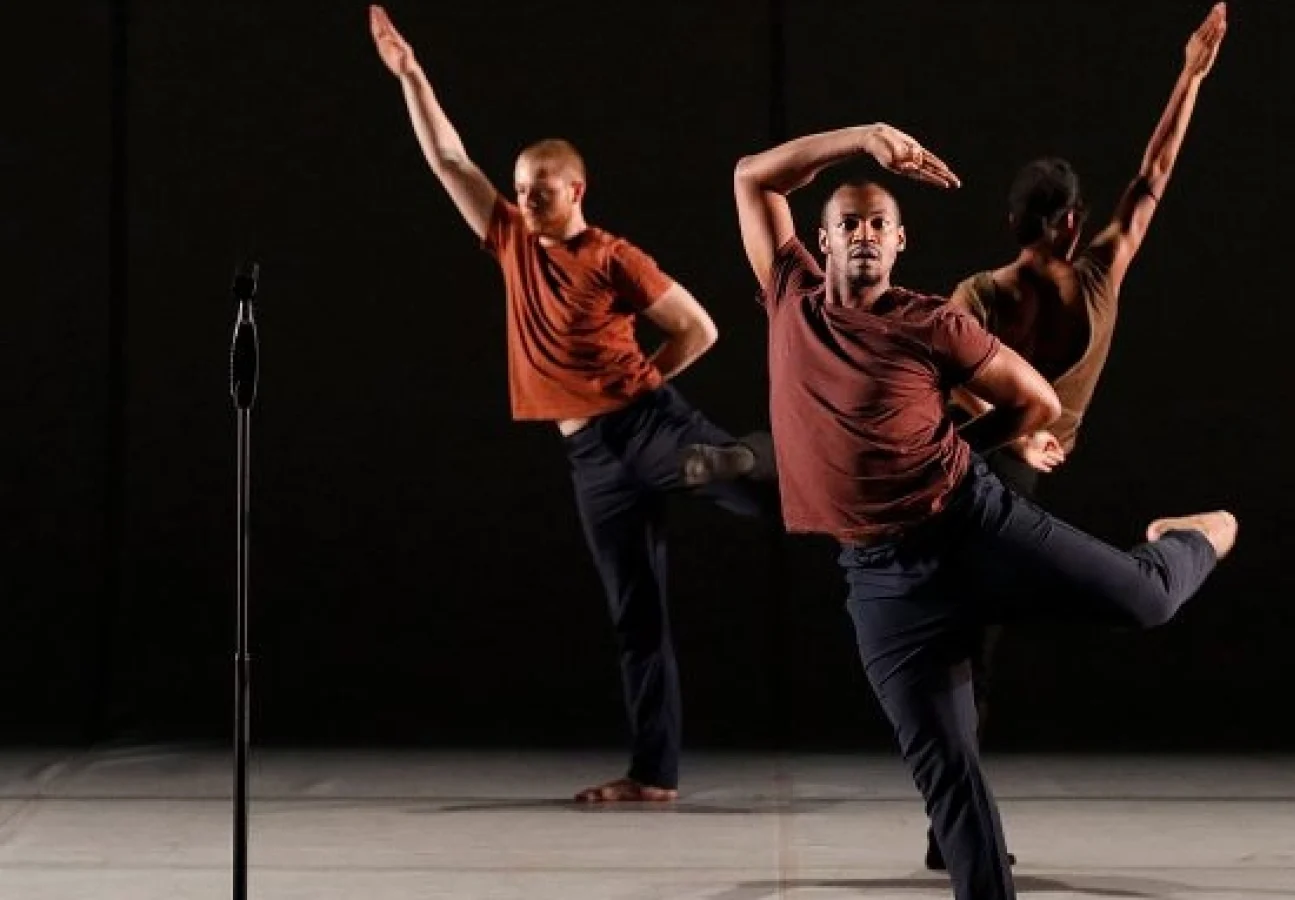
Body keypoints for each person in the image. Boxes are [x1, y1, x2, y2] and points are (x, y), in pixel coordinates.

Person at [727, 35, 1233, 900]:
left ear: (899, 243)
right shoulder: (788, 296)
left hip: (973, 524)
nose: (861, 234)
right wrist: (865, 135)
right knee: (952, 780)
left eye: (878, 224)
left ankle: (1195, 535)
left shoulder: (936, 322)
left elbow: (1036, 399)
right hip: (881, 580)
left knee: (1146, 599)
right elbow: (752, 176)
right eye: (847, 221)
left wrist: (967, 449)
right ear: (821, 238)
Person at [368, 4, 774, 804]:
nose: (526, 202)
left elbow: (697, 327)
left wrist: (645, 382)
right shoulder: (512, 239)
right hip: (590, 458)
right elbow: (450, 160)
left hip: (647, 423)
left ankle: (793, 468)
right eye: (521, 191)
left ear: (576, 189)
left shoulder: (613, 255)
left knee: (763, 497)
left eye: (541, 192)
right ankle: (653, 776)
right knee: (637, 615)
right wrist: (412, 75)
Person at [921, 2, 1230, 871]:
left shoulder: (983, 289)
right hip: (982, 481)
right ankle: (956, 828)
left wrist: (1190, 74)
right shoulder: (1067, 280)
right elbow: (1153, 176)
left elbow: (1151, 176)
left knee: (972, 647)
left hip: (1000, 482)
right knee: (970, 644)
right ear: (1064, 223)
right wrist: (1191, 73)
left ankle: (954, 827)